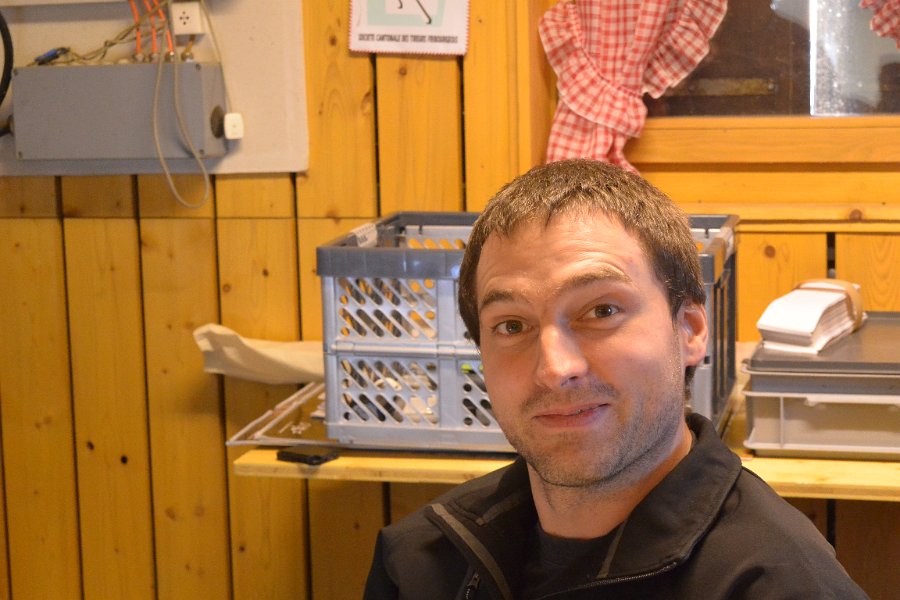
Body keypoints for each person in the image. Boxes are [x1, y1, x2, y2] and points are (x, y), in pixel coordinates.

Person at [363, 159, 868, 599]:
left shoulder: (783, 585)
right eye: (512, 326)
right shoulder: (420, 563)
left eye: (602, 311)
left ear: (690, 329)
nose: (555, 368)